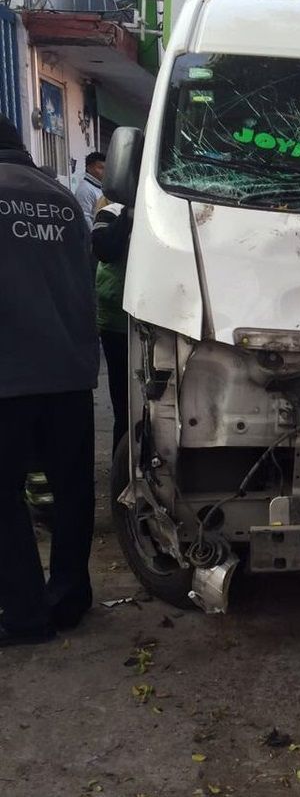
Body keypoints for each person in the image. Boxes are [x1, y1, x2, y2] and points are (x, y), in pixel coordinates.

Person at [0, 114, 98, 647]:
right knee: (71, 489)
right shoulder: (62, 199)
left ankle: (24, 615)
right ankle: (69, 598)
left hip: (9, 375)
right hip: (69, 371)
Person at [92, 198, 133, 451]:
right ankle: (123, 458)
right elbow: (105, 250)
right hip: (118, 323)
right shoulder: (110, 214)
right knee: (125, 403)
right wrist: (129, 214)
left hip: (160, 321)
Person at [74, 151, 105, 231]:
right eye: (101, 168)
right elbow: (85, 217)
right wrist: (93, 235)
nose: (104, 171)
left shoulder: (99, 187)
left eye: (106, 168)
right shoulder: (85, 189)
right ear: (89, 168)